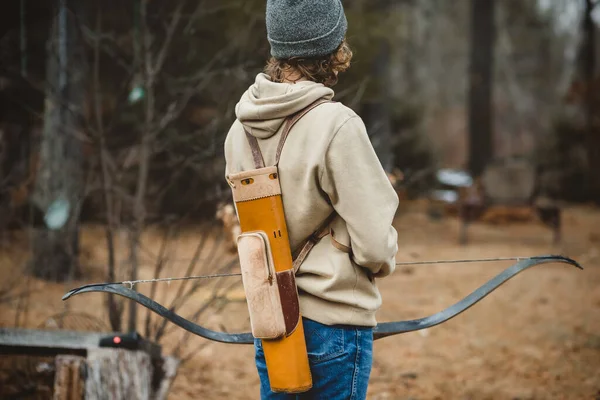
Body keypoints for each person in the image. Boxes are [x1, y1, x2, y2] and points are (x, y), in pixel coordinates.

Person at [224, 0, 399, 398]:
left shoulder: (239, 129)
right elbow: (374, 246)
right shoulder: (338, 125)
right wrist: (384, 258)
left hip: (274, 323)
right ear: (333, 45)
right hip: (333, 328)